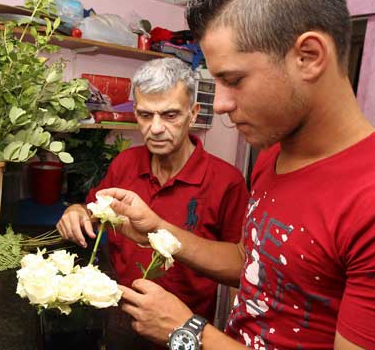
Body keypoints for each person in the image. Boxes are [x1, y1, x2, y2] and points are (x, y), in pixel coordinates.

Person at [102, 0, 375, 349]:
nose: (219, 104)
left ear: (308, 57)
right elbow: (255, 264)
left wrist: (188, 333)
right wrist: (158, 229)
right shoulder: (275, 155)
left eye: (233, 79)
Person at [56, 58, 249, 324]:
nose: (156, 129)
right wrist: (76, 211)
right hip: (118, 320)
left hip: (183, 333)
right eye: (146, 115)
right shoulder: (125, 163)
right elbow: (93, 211)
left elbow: (241, 271)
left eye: (170, 115)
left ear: (193, 113)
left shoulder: (227, 182)